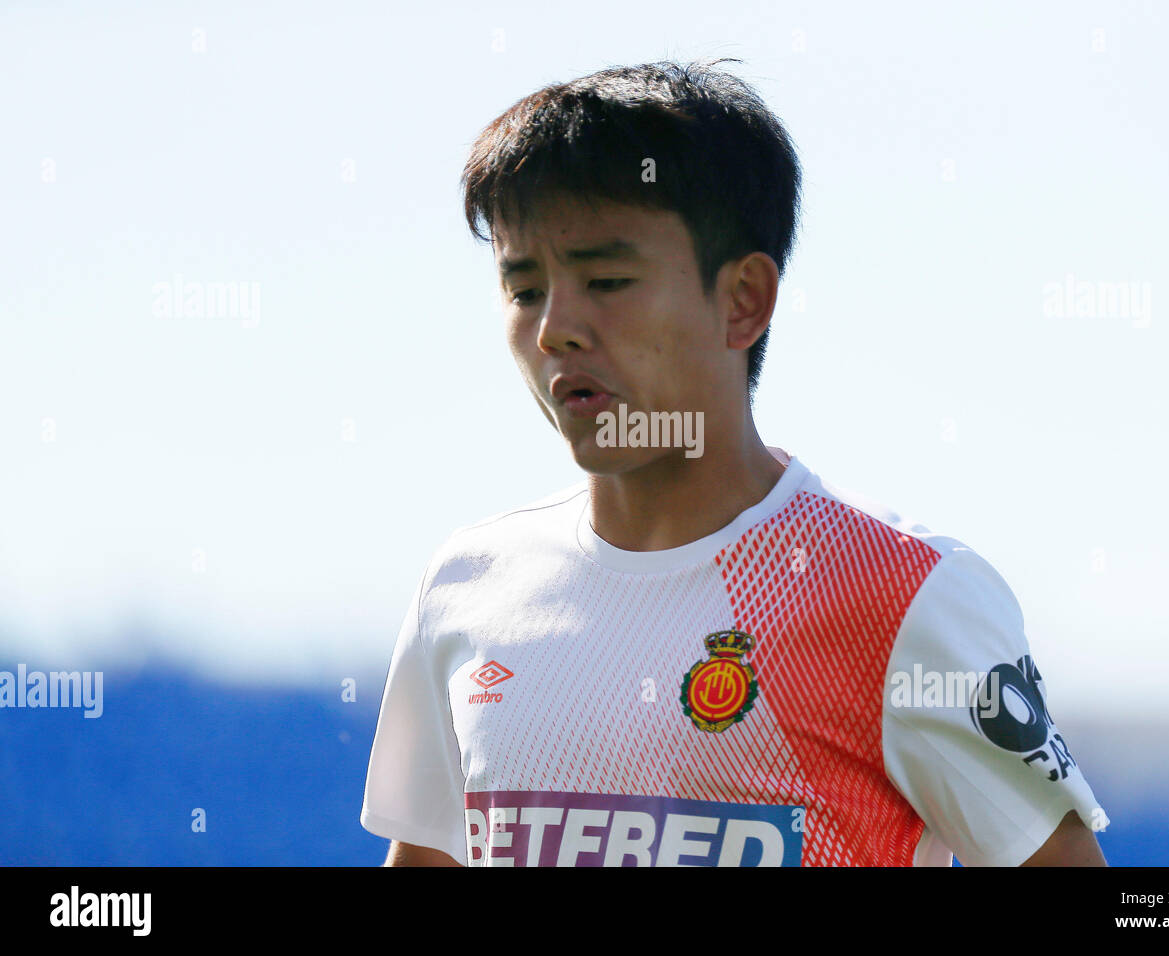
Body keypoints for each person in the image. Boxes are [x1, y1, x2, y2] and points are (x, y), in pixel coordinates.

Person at [360, 59, 1109, 867]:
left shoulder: (906, 596)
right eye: (524, 288)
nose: (555, 329)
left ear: (745, 299)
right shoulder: (467, 588)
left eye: (605, 279)